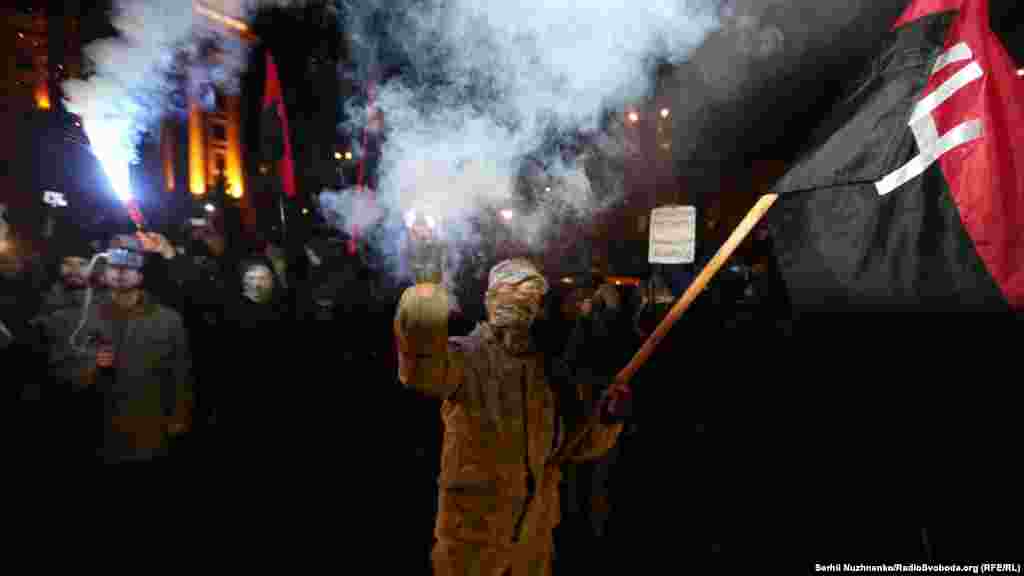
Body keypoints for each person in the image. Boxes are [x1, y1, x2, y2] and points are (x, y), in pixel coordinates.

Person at [394, 257, 631, 576]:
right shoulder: (466, 356)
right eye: (512, 293)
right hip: (473, 549)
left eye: (530, 296)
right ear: (492, 299)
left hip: (531, 551)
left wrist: (606, 419)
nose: (521, 304)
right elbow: (421, 370)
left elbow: (572, 447)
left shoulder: (549, 369)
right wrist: (423, 302)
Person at [48, 234, 192, 464]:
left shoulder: (168, 319)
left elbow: (181, 373)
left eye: (129, 264)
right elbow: (60, 372)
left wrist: (179, 417)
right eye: (115, 265)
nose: (121, 271)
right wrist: (91, 366)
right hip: (97, 436)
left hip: (151, 434)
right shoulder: (81, 317)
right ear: (104, 272)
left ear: (141, 273)